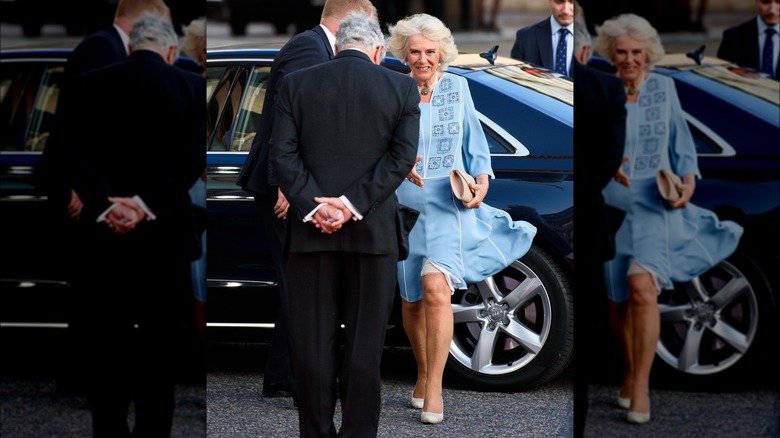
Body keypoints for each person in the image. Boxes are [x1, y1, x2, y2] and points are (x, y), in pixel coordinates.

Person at [269, 11, 420, 437]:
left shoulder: (296, 84)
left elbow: (282, 156)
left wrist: (316, 208)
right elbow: (401, 160)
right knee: (363, 349)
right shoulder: (402, 87)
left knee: (312, 349)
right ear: (376, 51)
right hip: (373, 236)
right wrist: (351, 205)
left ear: (335, 47)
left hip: (309, 236)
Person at [387, 13, 538, 425]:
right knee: (412, 298)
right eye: (415, 52)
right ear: (404, 53)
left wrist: (483, 180)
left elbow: (474, 139)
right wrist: (397, 166)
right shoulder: (394, 88)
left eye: (430, 52)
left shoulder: (458, 87)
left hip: (449, 202)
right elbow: (378, 143)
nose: (422, 59)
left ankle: (434, 386)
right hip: (404, 205)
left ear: (441, 53)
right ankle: (422, 372)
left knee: (436, 289)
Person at [594, 13, 744, 425]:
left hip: (655, 203)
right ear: (611, 53)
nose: (629, 59)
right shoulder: (604, 90)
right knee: (617, 300)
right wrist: (606, 162)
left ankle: (641, 384)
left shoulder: (664, 88)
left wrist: (689, 182)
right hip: (612, 204)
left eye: (636, 52)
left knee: (643, 289)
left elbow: (682, 145)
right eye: (621, 52)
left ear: (648, 53)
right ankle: (627, 372)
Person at [70, 10, 206, 437]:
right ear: (170, 50)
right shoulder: (190, 85)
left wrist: (107, 206)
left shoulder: (90, 84)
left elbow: (73, 158)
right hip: (163, 239)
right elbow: (192, 162)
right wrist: (145, 205)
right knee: (158, 357)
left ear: (129, 46)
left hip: (104, 240)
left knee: (107, 351)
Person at [236, 0, 378, 403]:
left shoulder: (316, 46)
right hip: (284, 187)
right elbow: (292, 119)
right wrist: (287, 188)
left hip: (292, 184)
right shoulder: (308, 48)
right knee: (300, 285)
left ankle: (283, 377)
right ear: (355, 21)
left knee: (297, 284)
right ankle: (293, 379)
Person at [571, 16, 627, 437]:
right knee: (587, 319)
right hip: (589, 212)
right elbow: (612, 155)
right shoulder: (607, 86)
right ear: (587, 50)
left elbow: (611, 153)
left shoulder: (601, 87)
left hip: (581, 214)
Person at [510, 0, 574, 76]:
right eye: (559, 2)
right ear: (550, 1)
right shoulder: (525, 37)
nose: (565, 10)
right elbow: (515, 79)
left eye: (572, 2)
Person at [717, 0, 779, 79]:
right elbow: (722, 77)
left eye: (779, 2)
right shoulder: (733, 37)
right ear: (757, 2)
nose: (772, 10)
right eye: (766, 2)